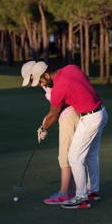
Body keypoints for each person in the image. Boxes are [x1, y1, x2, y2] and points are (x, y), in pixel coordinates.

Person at [31, 62, 108, 209]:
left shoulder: (58, 89)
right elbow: (84, 81)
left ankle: (81, 197)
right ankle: (93, 191)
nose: (41, 84)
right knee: (91, 155)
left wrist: (43, 128)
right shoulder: (71, 68)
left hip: (90, 118)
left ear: (46, 75)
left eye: (40, 80)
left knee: (74, 157)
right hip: (102, 112)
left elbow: (53, 113)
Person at [21, 61, 79, 204]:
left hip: (69, 117)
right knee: (69, 155)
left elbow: (55, 111)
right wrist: (43, 125)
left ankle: (64, 193)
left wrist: (45, 127)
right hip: (68, 116)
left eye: (32, 79)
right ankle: (70, 190)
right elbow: (52, 111)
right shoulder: (46, 83)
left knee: (65, 156)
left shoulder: (51, 83)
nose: (35, 83)